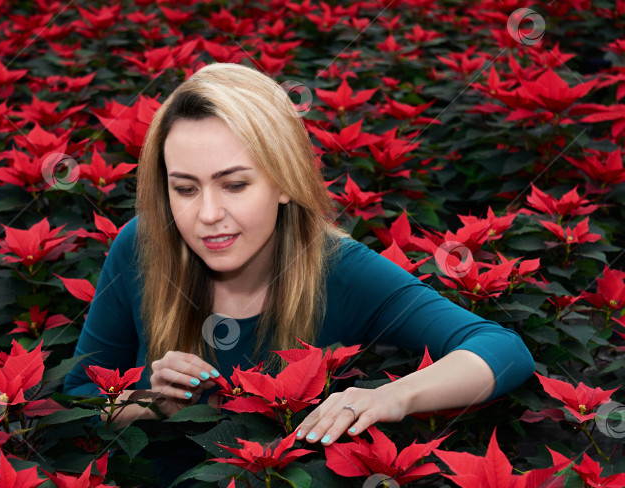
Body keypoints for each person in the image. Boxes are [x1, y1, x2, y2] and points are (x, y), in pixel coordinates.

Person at [63, 62, 535, 449]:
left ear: (285, 181)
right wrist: (148, 402)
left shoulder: (338, 268)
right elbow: (81, 394)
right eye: (184, 188)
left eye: (235, 184)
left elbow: (501, 349)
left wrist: (394, 396)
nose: (207, 214)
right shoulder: (140, 244)